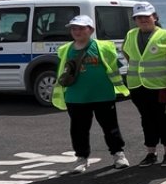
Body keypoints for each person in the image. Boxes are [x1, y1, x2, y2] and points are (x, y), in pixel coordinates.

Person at [52, 15, 129, 173]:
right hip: (76, 97)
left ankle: (118, 154)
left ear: (91, 30)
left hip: (103, 95)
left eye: (81, 28)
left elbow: (117, 66)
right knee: (79, 130)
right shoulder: (65, 50)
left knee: (110, 128)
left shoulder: (104, 47)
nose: (77, 31)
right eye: (74, 28)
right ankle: (81, 159)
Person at [123, 2, 166, 167]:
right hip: (137, 86)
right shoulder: (130, 35)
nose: (143, 20)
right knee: (146, 119)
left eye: (146, 16)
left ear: (154, 17)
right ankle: (151, 153)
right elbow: (127, 53)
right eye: (139, 17)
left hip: (159, 86)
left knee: (163, 119)